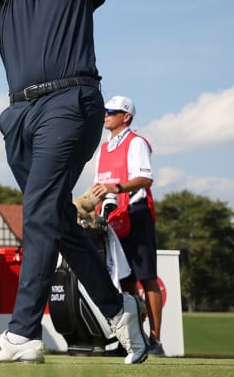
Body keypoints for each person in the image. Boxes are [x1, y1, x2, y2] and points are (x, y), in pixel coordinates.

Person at [0, 0, 152, 365]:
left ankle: (24, 332)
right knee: (57, 219)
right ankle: (116, 307)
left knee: (39, 213)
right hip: (18, 115)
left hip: (70, 102)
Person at [90, 95, 164, 356]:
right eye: (105, 110)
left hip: (136, 212)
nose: (105, 115)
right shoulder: (103, 149)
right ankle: (135, 340)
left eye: (111, 111)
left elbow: (145, 178)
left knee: (146, 277)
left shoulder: (137, 143)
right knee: (126, 280)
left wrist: (116, 187)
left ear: (126, 116)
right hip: (112, 217)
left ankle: (155, 341)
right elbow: (100, 185)